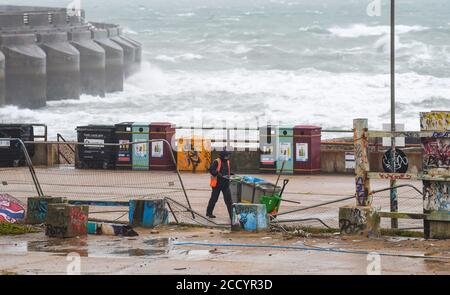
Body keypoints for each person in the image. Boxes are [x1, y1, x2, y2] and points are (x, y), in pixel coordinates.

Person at [206, 150, 233, 219]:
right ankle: (209, 213)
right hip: (217, 185)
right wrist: (217, 174)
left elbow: (227, 171)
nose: (228, 157)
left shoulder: (227, 161)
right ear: (223, 156)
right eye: (227, 155)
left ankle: (232, 216)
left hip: (225, 185)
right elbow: (211, 170)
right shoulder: (216, 161)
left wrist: (231, 174)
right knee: (214, 199)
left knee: (229, 201)